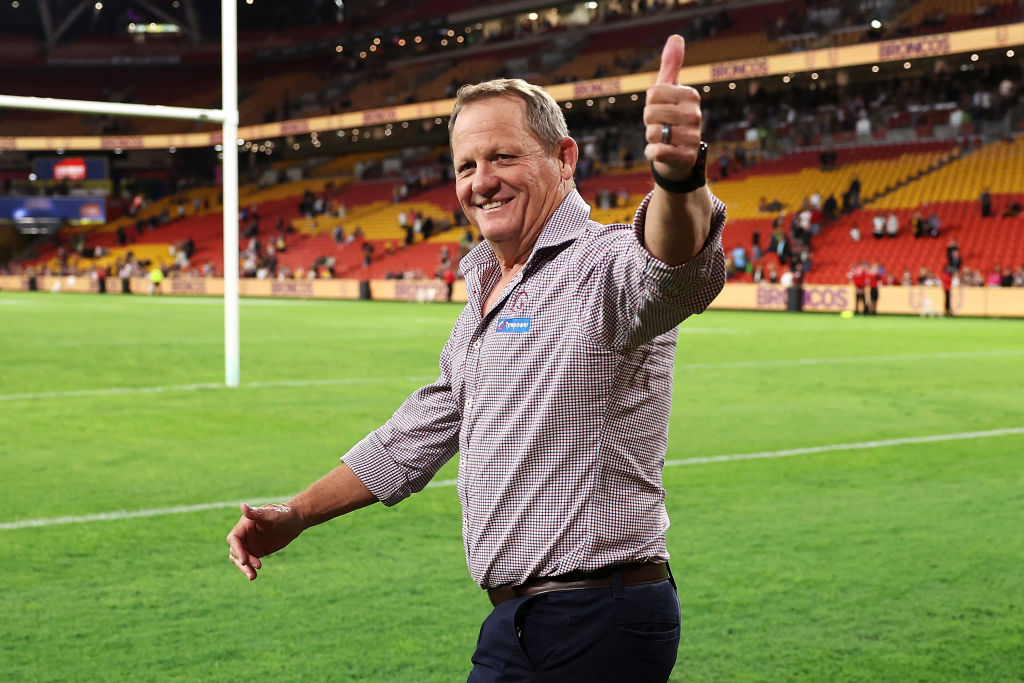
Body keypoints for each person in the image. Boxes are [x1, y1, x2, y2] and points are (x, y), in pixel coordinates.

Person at [226, 35, 725, 682]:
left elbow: (674, 264)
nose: (481, 181)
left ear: (564, 157)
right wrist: (297, 513)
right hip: (533, 620)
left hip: (593, 615)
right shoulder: (488, 289)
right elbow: (419, 432)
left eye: (503, 157)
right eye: (466, 166)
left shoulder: (601, 266)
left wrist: (679, 178)